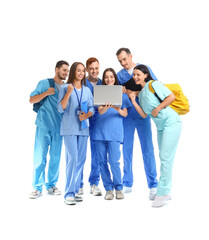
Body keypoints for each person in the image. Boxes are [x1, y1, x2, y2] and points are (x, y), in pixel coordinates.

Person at [129, 64, 182, 207]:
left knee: (165, 157)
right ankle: (164, 191)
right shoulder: (142, 94)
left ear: (146, 75)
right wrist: (133, 101)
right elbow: (144, 114)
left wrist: (158, 108)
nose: (135, 77)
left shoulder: (154, 84)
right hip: (160, 127)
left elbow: (171, 97)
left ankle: (163, 192)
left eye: (138, 74)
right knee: (164, 157)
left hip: (171, 122)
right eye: (134, 75)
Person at [116, 48, 158, 200]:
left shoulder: (143, 69)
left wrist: (135, 93)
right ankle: (127, 182)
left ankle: (153, 185)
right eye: (120, 61)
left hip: (143, 115)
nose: (123, 63)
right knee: (126, 149)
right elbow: (116, 94)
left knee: (147, 149)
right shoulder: (119, 75)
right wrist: (120, 91)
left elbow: (155, 88)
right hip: (126, 116)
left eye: (124, 59)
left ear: (130, 56)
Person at [29, 60, 70, 199]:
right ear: (56, 69)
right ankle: (36, 187)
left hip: (59, 128)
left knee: (55, 158)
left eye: (67, 71)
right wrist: (47, 93)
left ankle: (51, 185)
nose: (66, 73)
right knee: (40, 157)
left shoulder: (66, 87)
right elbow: (31, 100)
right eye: (64, 70)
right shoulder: (45, 83)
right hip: (44, 126)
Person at [92, 68, 132, 200]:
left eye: (111, 77)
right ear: (104, 79)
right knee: (102, 162)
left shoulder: (122, 94)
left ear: (115, 78)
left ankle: (119, 188)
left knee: (114, 161)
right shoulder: (100, 92)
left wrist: (117, 108)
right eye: (106, 77)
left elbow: (125, 113)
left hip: (115, 132)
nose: (109, 79)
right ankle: (108, 189)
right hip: (100, 131)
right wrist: (107, 106)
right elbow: (101, 111)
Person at [57, 62, 94, 205]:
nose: (81, 73)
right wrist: (68, 92)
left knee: (81, 160)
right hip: (69, 128)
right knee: (72, 159)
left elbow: (92, 109)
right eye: (78, 71)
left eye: (82, 71)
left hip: (83, 128)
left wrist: (87, 114)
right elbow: (60, 108)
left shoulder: (87, 90)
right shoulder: (65, 87)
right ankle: (69, 193)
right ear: (73, 72)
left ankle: (76, 188)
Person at [79, 57, 102, 196]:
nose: (94, 71)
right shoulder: (82, 82)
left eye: (96, 68)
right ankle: (78, 184)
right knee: (80, 153)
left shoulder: (103, 83)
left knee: (97, 154)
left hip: (98, 122)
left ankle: (94, 183)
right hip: (83, 121)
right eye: (91, 68)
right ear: (87, 69)